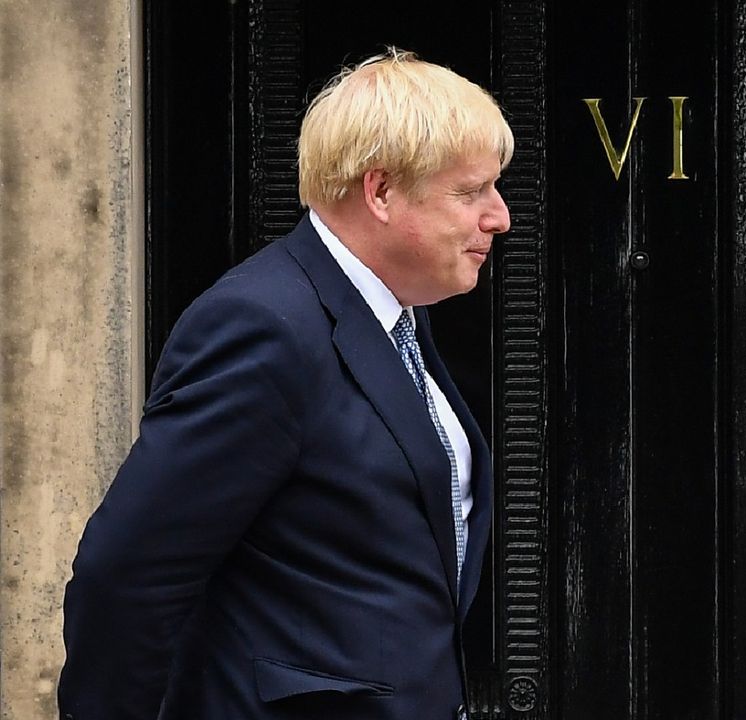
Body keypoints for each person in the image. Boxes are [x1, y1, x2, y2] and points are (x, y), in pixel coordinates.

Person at [59, 49, 512, 720]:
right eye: (471, 191)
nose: (499, 216)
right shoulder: (264, 327)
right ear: (380, 191)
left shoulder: (397, 316)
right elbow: (126, 576)